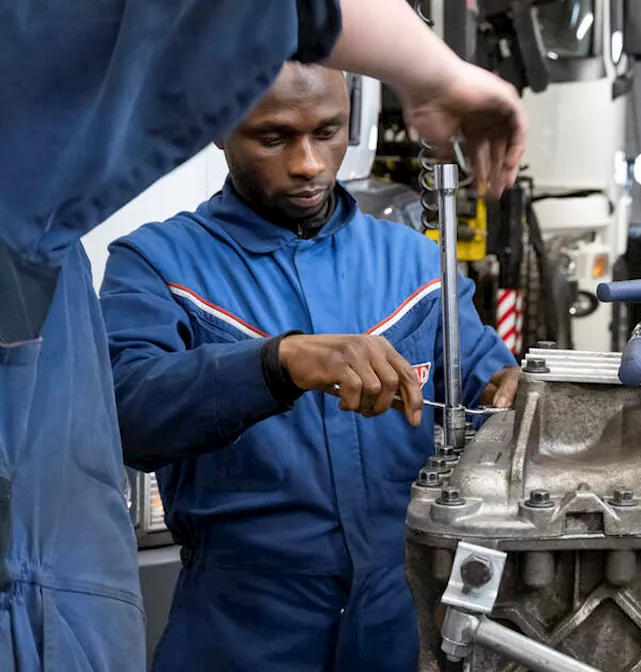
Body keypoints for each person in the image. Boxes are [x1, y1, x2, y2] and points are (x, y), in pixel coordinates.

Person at [0, 1, 525, 669]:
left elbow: (487, 387)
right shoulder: (160, 265)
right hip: (237, 636)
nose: (307, 162)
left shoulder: (417, 268)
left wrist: (517, 396)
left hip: (400, 628)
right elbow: (124, 414)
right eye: (273, 138)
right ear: (220, 127)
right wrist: (276, 365)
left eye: (327, 132)